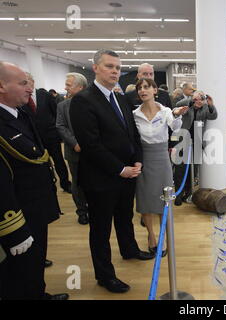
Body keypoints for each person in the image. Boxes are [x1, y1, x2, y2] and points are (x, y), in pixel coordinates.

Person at [70, 49, 153, 294]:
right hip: (102, 178)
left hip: (129, 173)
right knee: (101, 229)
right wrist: (120, 169)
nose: (115, 71)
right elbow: (90, 145)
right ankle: (105, 276)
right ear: (95, 68)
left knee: (125, 216)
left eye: (118, 67)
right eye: (109, 66)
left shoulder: (121, 98)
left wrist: (138, 159)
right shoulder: (83, 100)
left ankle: (129, 249)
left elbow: (132, 134)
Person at [0, 61, 67, 300]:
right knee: (17, 273)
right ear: (1, 86)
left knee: (35, 261)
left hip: (35, 206)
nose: (30, 88)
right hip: (18, 213)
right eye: (22, 83)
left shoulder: (20, 115)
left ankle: (39, 294)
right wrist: (13, 229)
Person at [133, 78, 188, 255]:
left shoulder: (165, 111)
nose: (143, 90)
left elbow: (175, 127)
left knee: (164, 199)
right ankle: (151, 235)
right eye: (140, 88)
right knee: (145, 199)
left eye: (147, 87)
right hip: (143, 159)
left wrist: (178, 114)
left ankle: (164, 234)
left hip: (162, 158)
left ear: (155, 90)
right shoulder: (135, 114)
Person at [23, 73, 72, 193]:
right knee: (41, 164)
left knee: (59, 161)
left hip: (51, 136)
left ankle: (65, 184)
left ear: (32, 81)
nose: (25, 84)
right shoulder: (22, 97)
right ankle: (47, 186)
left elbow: (56, 114)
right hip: (34, 139)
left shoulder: (45, 95)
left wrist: (57, 132)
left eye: (26, 81)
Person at [173, 91, 218, 205]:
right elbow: (177, 104)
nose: (199, 101)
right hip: (183, 140)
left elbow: (213, 116)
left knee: (194, 170)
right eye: (196, 99)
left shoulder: (206, 108)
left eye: (201, 99)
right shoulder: (187, 105)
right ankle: (178, 195)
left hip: (198, 142)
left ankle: (189, 194)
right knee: (180, 169)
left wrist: (211, 104)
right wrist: (191, 99)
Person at [56, 73, 89, 225]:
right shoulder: (62, 106)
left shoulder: (93, 103)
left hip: (94, 153)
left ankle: (95, 208)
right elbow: (61, 126)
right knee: (77, 183)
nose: (65, 88)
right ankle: (82, 212)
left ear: (80, 87)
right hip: (73, 152)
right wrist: (74, 143)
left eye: (69, 85)